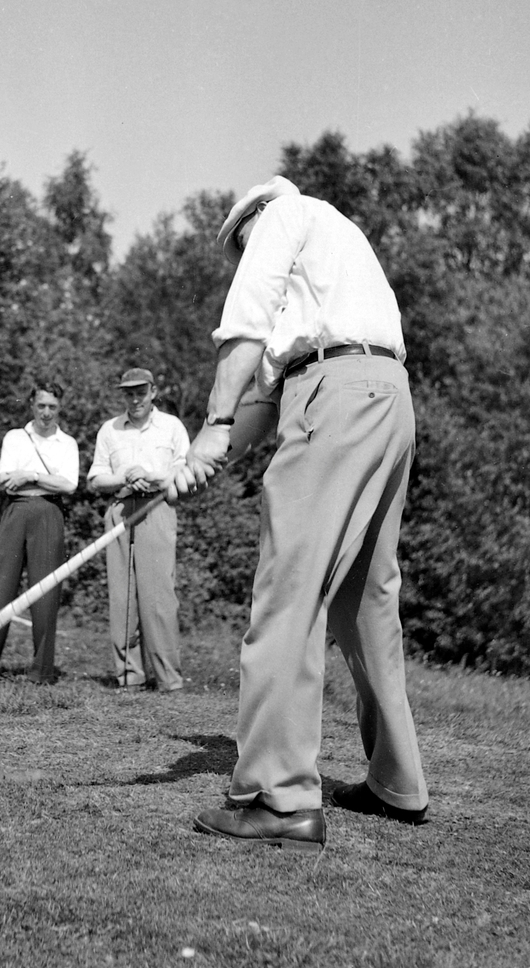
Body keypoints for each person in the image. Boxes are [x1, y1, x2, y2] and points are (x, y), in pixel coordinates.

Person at [169, 175, 429, 851]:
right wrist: (209, 451)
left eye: (238, 248)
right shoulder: (338, 238)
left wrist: (211, 422)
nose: (241, 260)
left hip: (336, 399)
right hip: (386, 397)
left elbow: (245, 326)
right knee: (363, 598)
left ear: (252, 219)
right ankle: (397, 782)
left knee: (286, 593)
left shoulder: (281, 218)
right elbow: (272, 393)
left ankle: (274, 797)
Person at [0, 382, 79, 684]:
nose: (46, 413)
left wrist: (29, 475)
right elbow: (6, 480)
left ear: (60, 408)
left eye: (52, 407)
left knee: (45, 592)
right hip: (17, 511)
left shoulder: (66, 443)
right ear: (31, 405)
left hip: (49, 513)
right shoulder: (15, 438)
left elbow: (69, 485)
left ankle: (42, 670)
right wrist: (46, 479)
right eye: (41, 406)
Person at [88, 368, 190, 692]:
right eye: (129, 393)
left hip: (158, 507)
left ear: (153, 392)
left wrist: (152, 475)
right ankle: (130, 677)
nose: (135, 399)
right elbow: (95, 478)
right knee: (122, 596)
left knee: (159, 596)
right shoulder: (110, 430)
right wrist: (124, 477)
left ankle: (167, 678)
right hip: (120, 509)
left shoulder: (172, 427)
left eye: (141, 392)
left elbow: (184, 470)